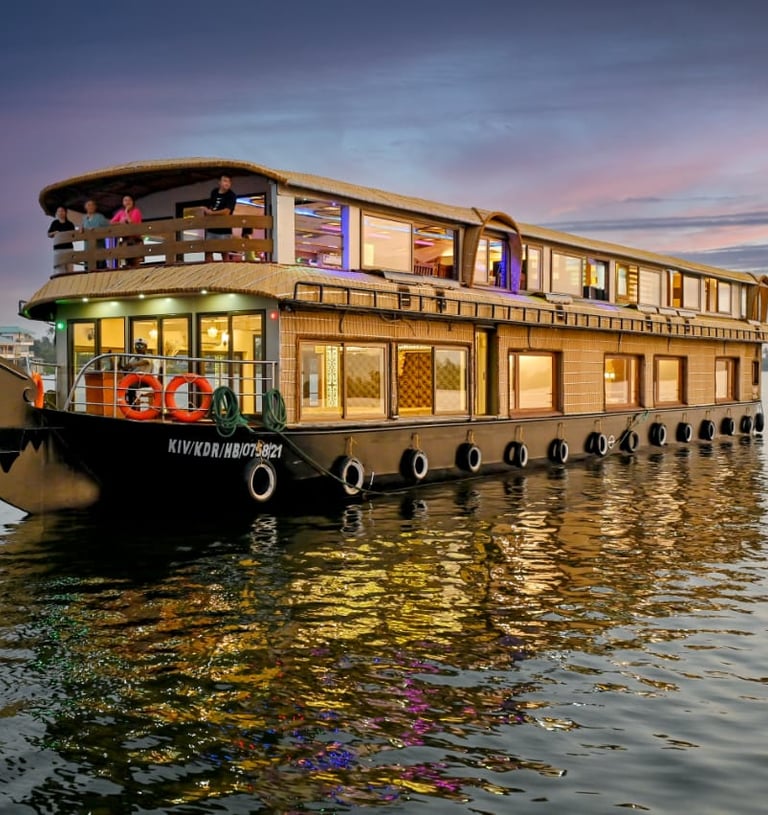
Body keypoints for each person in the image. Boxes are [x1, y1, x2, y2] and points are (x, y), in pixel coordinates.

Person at [201, 174, 236, 261]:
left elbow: (227, 212)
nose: (227, 183)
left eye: (229, 181)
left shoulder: (231, 195)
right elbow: (211, 206)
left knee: (224, 253)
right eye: (225, 181)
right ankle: (210, 268)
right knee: (208, 252)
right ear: (219, 182)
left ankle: (225, 269)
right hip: (212, 228)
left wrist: (211, 213)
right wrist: (206, 210)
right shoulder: (214, 192)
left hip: (225, 229)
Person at [111, 194, 143, 267]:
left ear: (132, 202)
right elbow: (111, 223)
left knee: (134, 260)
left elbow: (131, 223)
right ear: (123, 203)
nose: (127, 202)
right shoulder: (120, 212)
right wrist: (120, 222)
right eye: (125, 200)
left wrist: (126, 213)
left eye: (129, 200)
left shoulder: (136, 211)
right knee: (126, 259)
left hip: (135, 238)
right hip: (125, 238)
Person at [121, 338, 152, 405]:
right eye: (137, 346)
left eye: (141, 346)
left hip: (144, 380)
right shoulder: (133, 358)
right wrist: (125, 368)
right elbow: (128, 368)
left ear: (146, 347)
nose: (138, 348)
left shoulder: (148, 356)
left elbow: (145, 362)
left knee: (131, 386)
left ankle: (132, 405)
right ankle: (124, 404)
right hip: (133, 379)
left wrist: (133, 365)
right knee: (122, 384)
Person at [81, 199, 110, 269]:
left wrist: (96, 230)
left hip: (99, 247)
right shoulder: (84, 218)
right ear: (85, 207)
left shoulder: (99, 217)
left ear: (95, 207)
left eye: (92, 205)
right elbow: (81, 229)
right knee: (88, 270)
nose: (90, 207)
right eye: (88, 205)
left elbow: (109, 226)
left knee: (100, 269)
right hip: (87, 248)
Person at [47, 206, 75, 271]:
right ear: (57, 213)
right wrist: (54, 232)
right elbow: (49, 234)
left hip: (69, 249)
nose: (60, 213)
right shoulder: (54, 223)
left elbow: (74, 235)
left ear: (65, 212)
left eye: (62, 211)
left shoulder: (70, 224)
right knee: (59, 270)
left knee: (70, 270)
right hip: (58, 249)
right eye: (59, 211)